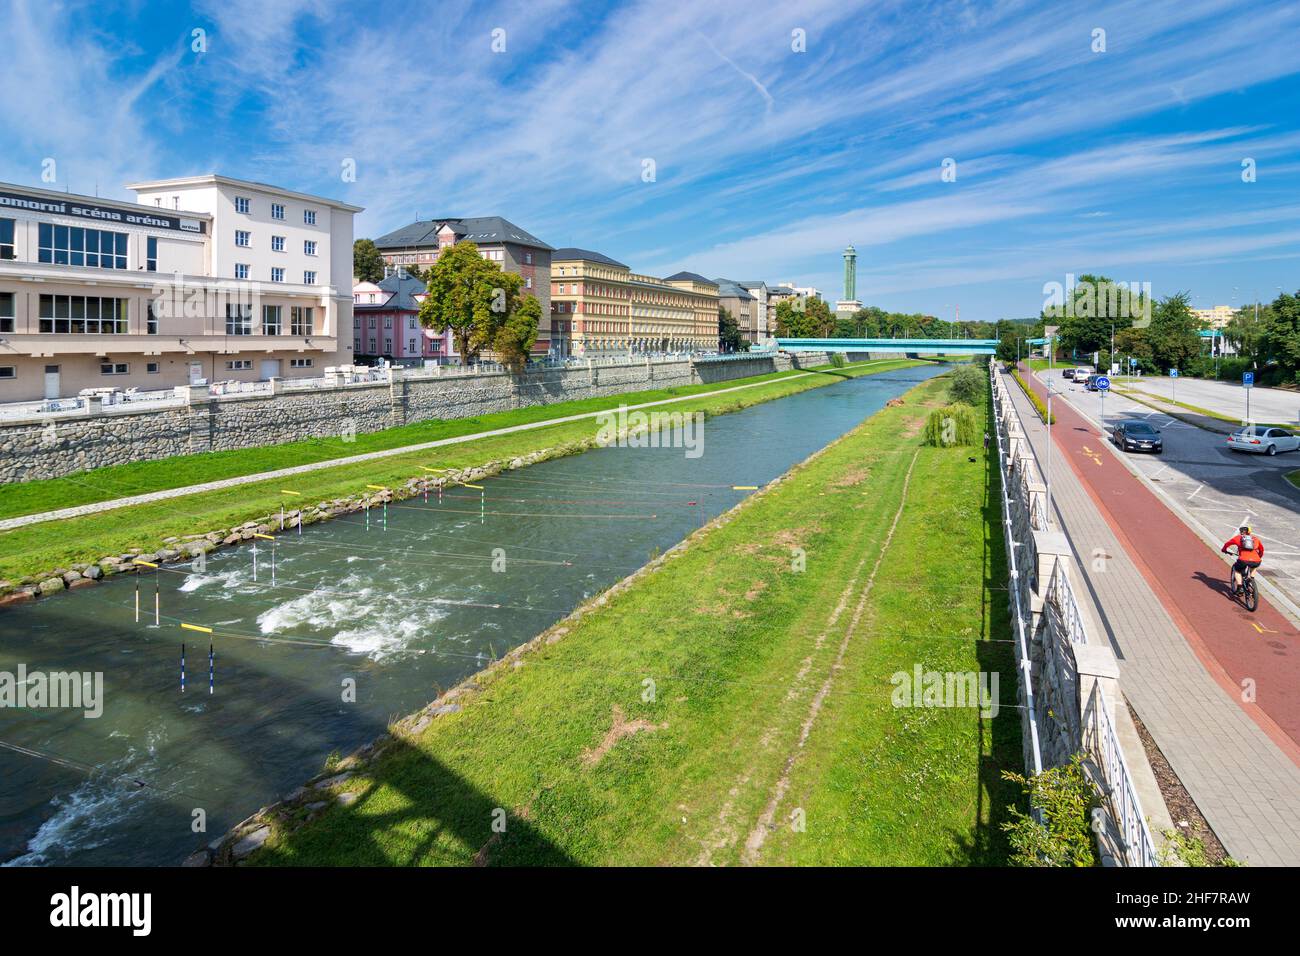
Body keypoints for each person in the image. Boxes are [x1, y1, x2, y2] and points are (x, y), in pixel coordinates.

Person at [1221, 525, 1264, 594]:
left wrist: (1224, 550)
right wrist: (1259, 557)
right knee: (1254, 566)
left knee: (1237, 570)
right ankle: (1251, 579)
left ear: (1241, 532)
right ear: (1249, 532)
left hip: (1243, 559)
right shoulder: (1255, 539)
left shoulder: (1238, 538)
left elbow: (1227, 544)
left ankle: (1240, 587)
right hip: (1256, 560)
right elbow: (1261, 549)